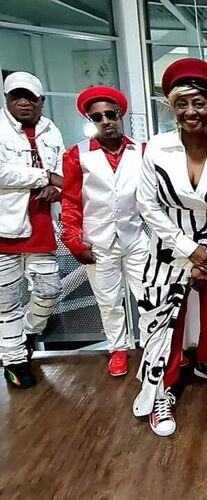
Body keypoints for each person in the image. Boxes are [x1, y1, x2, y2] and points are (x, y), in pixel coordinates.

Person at [133, 58, 207, 437]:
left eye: (198, 103)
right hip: (167, 245)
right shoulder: (156, 148)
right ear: (172, 107)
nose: (191, 111)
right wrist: (188, 250)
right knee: (164, 319)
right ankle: (162, 388)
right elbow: (147, 205)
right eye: (182, 104)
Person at [61, 86, 149, 377]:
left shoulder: (141, 151)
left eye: (110, 114)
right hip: (97, 240)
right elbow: (70, 201)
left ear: (121, 115)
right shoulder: (77, 154)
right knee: (109, 301)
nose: (105, 121)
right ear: (90, 120)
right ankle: (118, 349)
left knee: (147, 295)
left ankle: (154, 344)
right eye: (97, 117)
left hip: (135, 236)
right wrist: (73, 240)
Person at [0, 71, 64, 389]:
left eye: (30, 97)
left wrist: (57, 188)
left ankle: (24, 334)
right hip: (4, 227)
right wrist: (44, 177)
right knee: (7, 301)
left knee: (50, 290)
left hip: (40, 224)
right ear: (7, 99)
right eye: (16, 96)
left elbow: (63, 172)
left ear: (42, 101)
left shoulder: (51, 130)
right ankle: (13, 360)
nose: (23, 102)